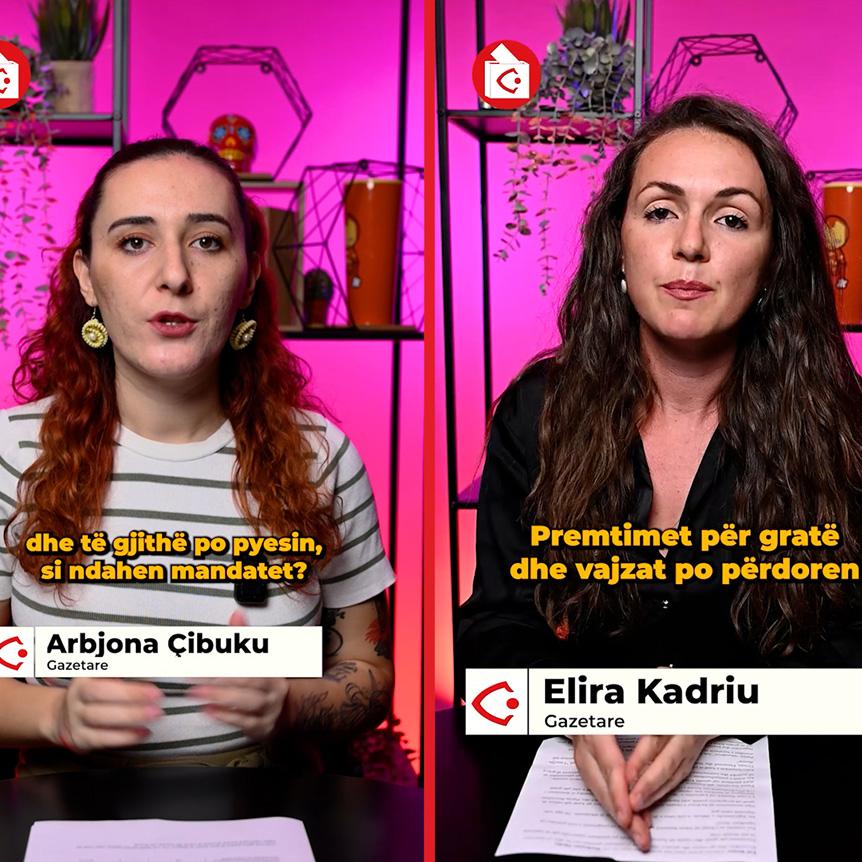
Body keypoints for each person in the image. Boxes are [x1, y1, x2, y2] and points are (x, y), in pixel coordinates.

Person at [456, 94, 862, 851]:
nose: (691, 247)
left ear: (775, 262)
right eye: (660, 211)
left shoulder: (843, 430)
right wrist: (576, 715)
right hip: (576, 818)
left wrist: (721, 708)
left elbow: (858, 664)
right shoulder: (536, 415)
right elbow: (492, 640)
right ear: (617, 242)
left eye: (731, 218)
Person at [0, 138, 394, 774]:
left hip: (267, 827)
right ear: (86, 277)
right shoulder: (12, 454)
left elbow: (368, 673)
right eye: (135, 241)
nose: (175, 275)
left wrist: (291, 706)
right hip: (68, 828)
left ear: (246, 276)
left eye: (208, 241)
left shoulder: (321, 455)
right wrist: (54, 717)